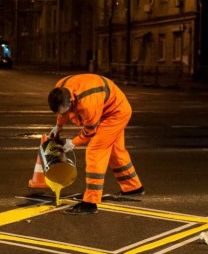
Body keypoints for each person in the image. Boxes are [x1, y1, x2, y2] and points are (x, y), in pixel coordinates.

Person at [48, 74, 144, 215]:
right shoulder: (60, 89)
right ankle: (133, 188)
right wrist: (58, 125)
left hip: (115, 113)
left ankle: (90, 202)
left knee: (95, 151)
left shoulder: (87, 103)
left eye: (67, 111)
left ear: (71, 102)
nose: (66, 114)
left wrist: (73, 142)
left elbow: (90, 130)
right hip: (108, 106)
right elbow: (62, 112)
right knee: (116, 151)